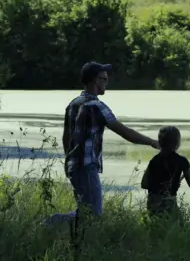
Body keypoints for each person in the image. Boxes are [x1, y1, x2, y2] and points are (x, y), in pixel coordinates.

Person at [42, 61, 161, 227]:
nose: (107, 81)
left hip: (73, 166)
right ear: (94, 80)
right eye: (104, 78)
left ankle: (73, 240)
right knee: (93, 214)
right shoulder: (97, 106)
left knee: (85, 210)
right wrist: (152, 142)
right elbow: (124, 132)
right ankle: (50, 223)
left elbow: (66, 137)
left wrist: (70, 159)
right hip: (87, 167)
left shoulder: (73, 104)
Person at [141, 126, 190, 220]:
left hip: (152, 203)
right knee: (178, 229)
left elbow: (144, 184)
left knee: (155, 228)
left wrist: (165, 184)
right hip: (169, 203)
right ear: (177, 143)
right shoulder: (182, 161)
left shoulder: (154, 160)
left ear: (160, 142)